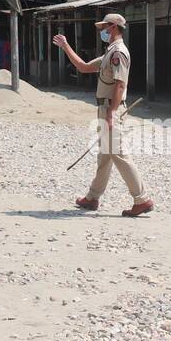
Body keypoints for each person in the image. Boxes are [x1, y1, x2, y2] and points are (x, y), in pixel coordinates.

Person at [52, 13, 154, 217]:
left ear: (113, 27)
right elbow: (83, 67)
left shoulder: (119, 53)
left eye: (104, 27)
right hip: (105, 108)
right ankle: (92, 197)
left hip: (110, 109)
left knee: (119, 154)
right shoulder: (110, 52)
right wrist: (66, 47)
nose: (102, 31)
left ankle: (142, 199)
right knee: (105, 157)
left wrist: (111, 113)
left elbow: (120, 84)